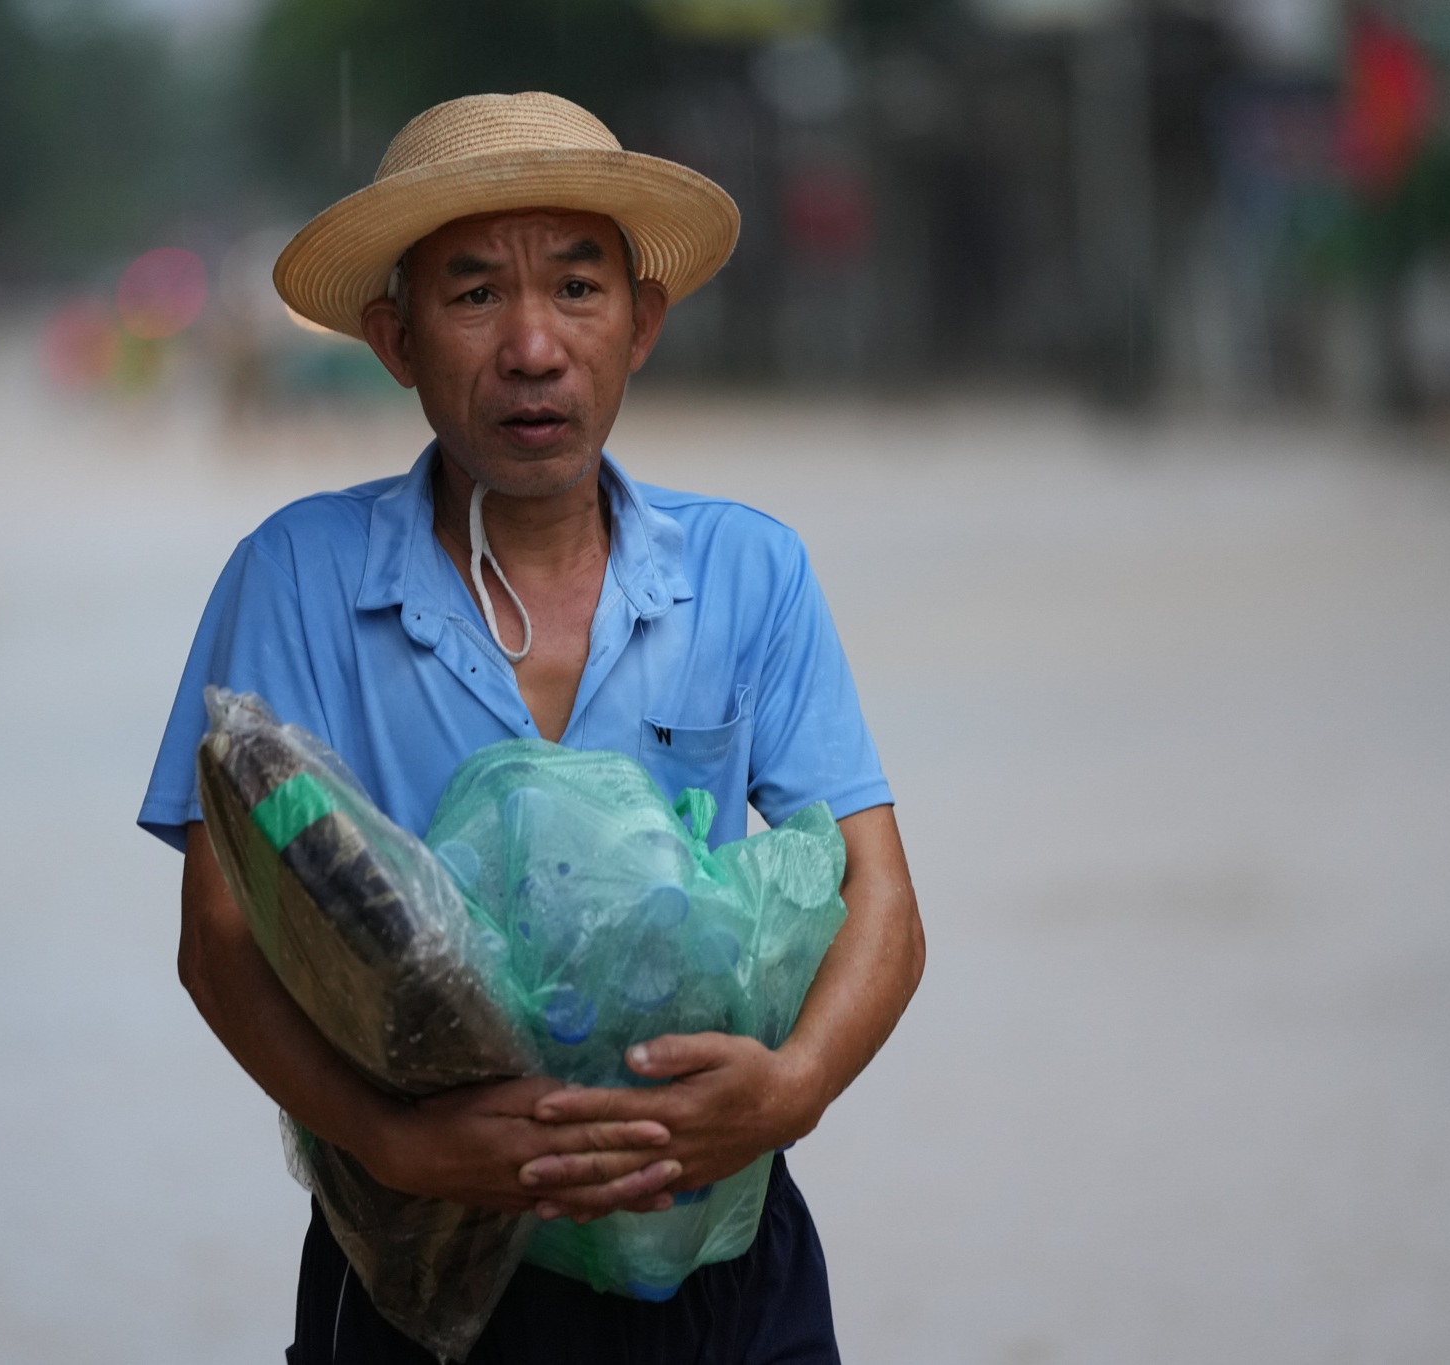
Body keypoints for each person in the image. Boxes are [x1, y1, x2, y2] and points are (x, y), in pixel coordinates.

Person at [139, 93, 924, 1363]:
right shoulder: (297, 579)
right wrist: (395, 1140)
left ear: (641, 322)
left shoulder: (746, 573)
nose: (531, 348)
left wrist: (789, 1092)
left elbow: (879, 900)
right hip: (422, 1275)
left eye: (574, 288)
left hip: (716, 1257)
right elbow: (221, 940)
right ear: (394, 340)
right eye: (470, 297)